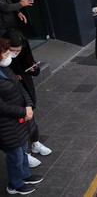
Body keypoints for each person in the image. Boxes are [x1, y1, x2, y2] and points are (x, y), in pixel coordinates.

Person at [0, 37, 43, 195]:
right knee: (15, 155)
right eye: (4, 53)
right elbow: (2, 107)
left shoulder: (5, 69)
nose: (7, 56)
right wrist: (23, 111)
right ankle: (15, 184)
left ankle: (25, 176)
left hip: (20, 119)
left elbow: (20, 87)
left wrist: (28, 105)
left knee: (22, 150)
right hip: (7, 124)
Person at [3, 30, 52, 169]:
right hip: (11, 101)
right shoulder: (4, 64)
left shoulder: (23, 53)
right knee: (19, 127)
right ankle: (25, 154)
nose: (13, 54)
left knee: (31, 120)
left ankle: (35, 144)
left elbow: (33, 68)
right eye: (11, 51)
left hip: (25, 91)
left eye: (18, 51)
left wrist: (32, 69)